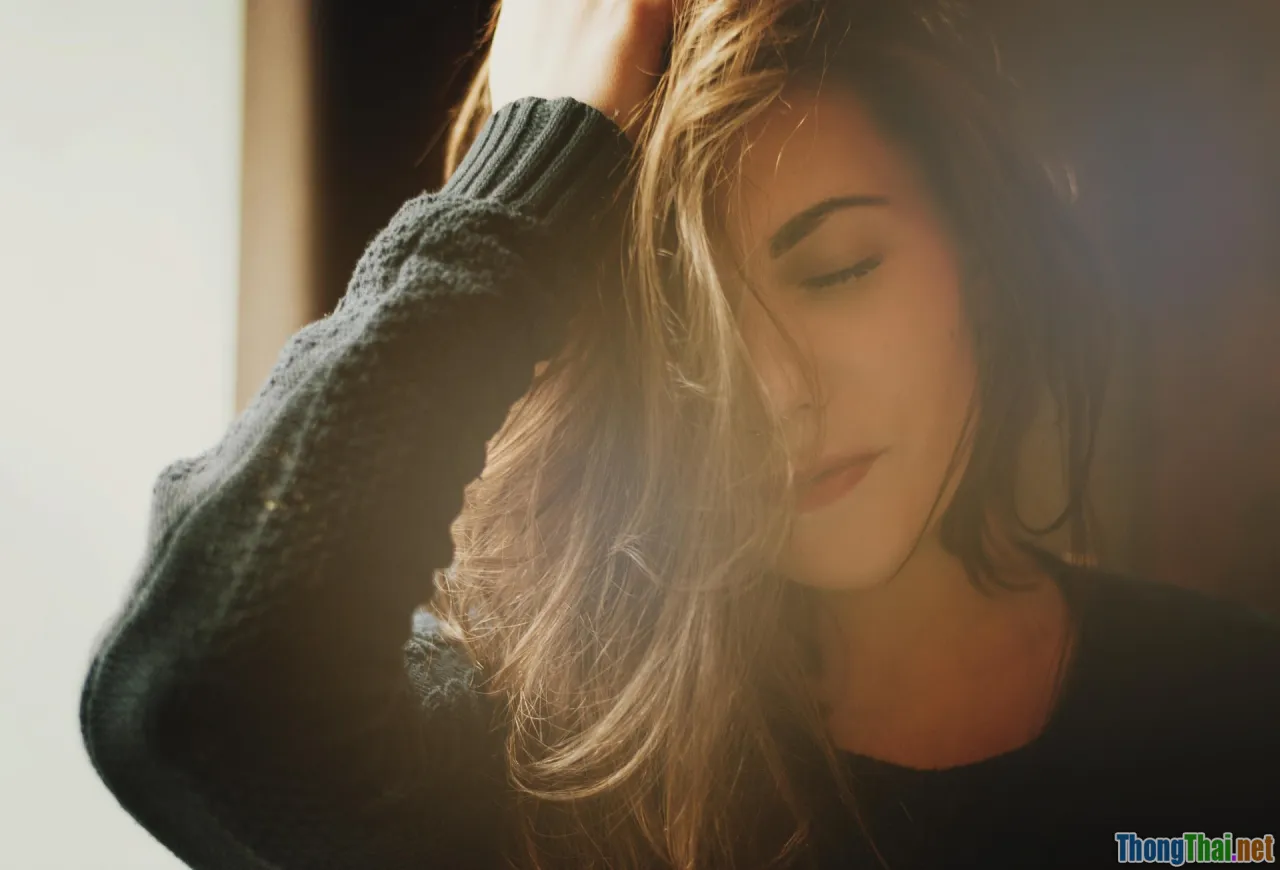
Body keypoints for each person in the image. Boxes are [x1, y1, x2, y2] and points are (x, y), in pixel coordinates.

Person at [79, 1, 1280, 868]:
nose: (773, 394)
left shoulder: (1230, 717)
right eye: (678, 326)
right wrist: (521, 179)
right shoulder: (543, 777)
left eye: (838, 269)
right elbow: (188, 691)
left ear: (977, 257)